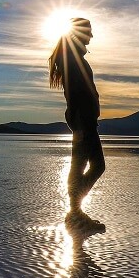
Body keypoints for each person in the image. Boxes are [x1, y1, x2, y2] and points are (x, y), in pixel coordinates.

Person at [49, 17, 106, 232]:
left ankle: (75, 213)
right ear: (79, 34)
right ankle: (75, 213)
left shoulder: (75, 58)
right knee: (95, 166)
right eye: (88, 32)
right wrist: (80, 123)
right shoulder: (73, 60)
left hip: (84, 119)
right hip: (83, 120)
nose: (91, 36)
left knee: (80, 167)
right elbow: (74, 94)